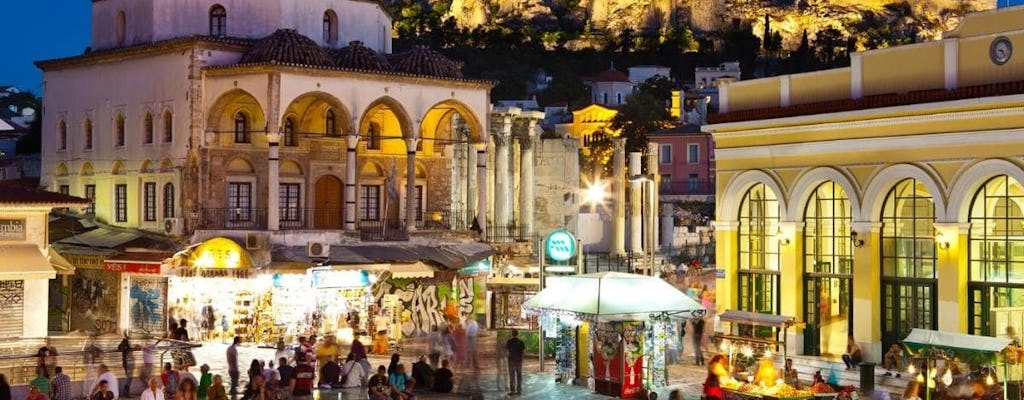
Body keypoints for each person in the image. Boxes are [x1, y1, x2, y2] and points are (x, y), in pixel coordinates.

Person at [505, 329, 525, 396]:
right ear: (517, 334)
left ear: (512, 334)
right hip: (518, 361)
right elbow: (523, 352)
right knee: (519, 376)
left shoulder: (509, 342)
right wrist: (521, 359)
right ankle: (519, 390)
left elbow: (507, 351)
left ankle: (512, 391)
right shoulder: (521, 342)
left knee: (512, 376)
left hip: (511, 361)